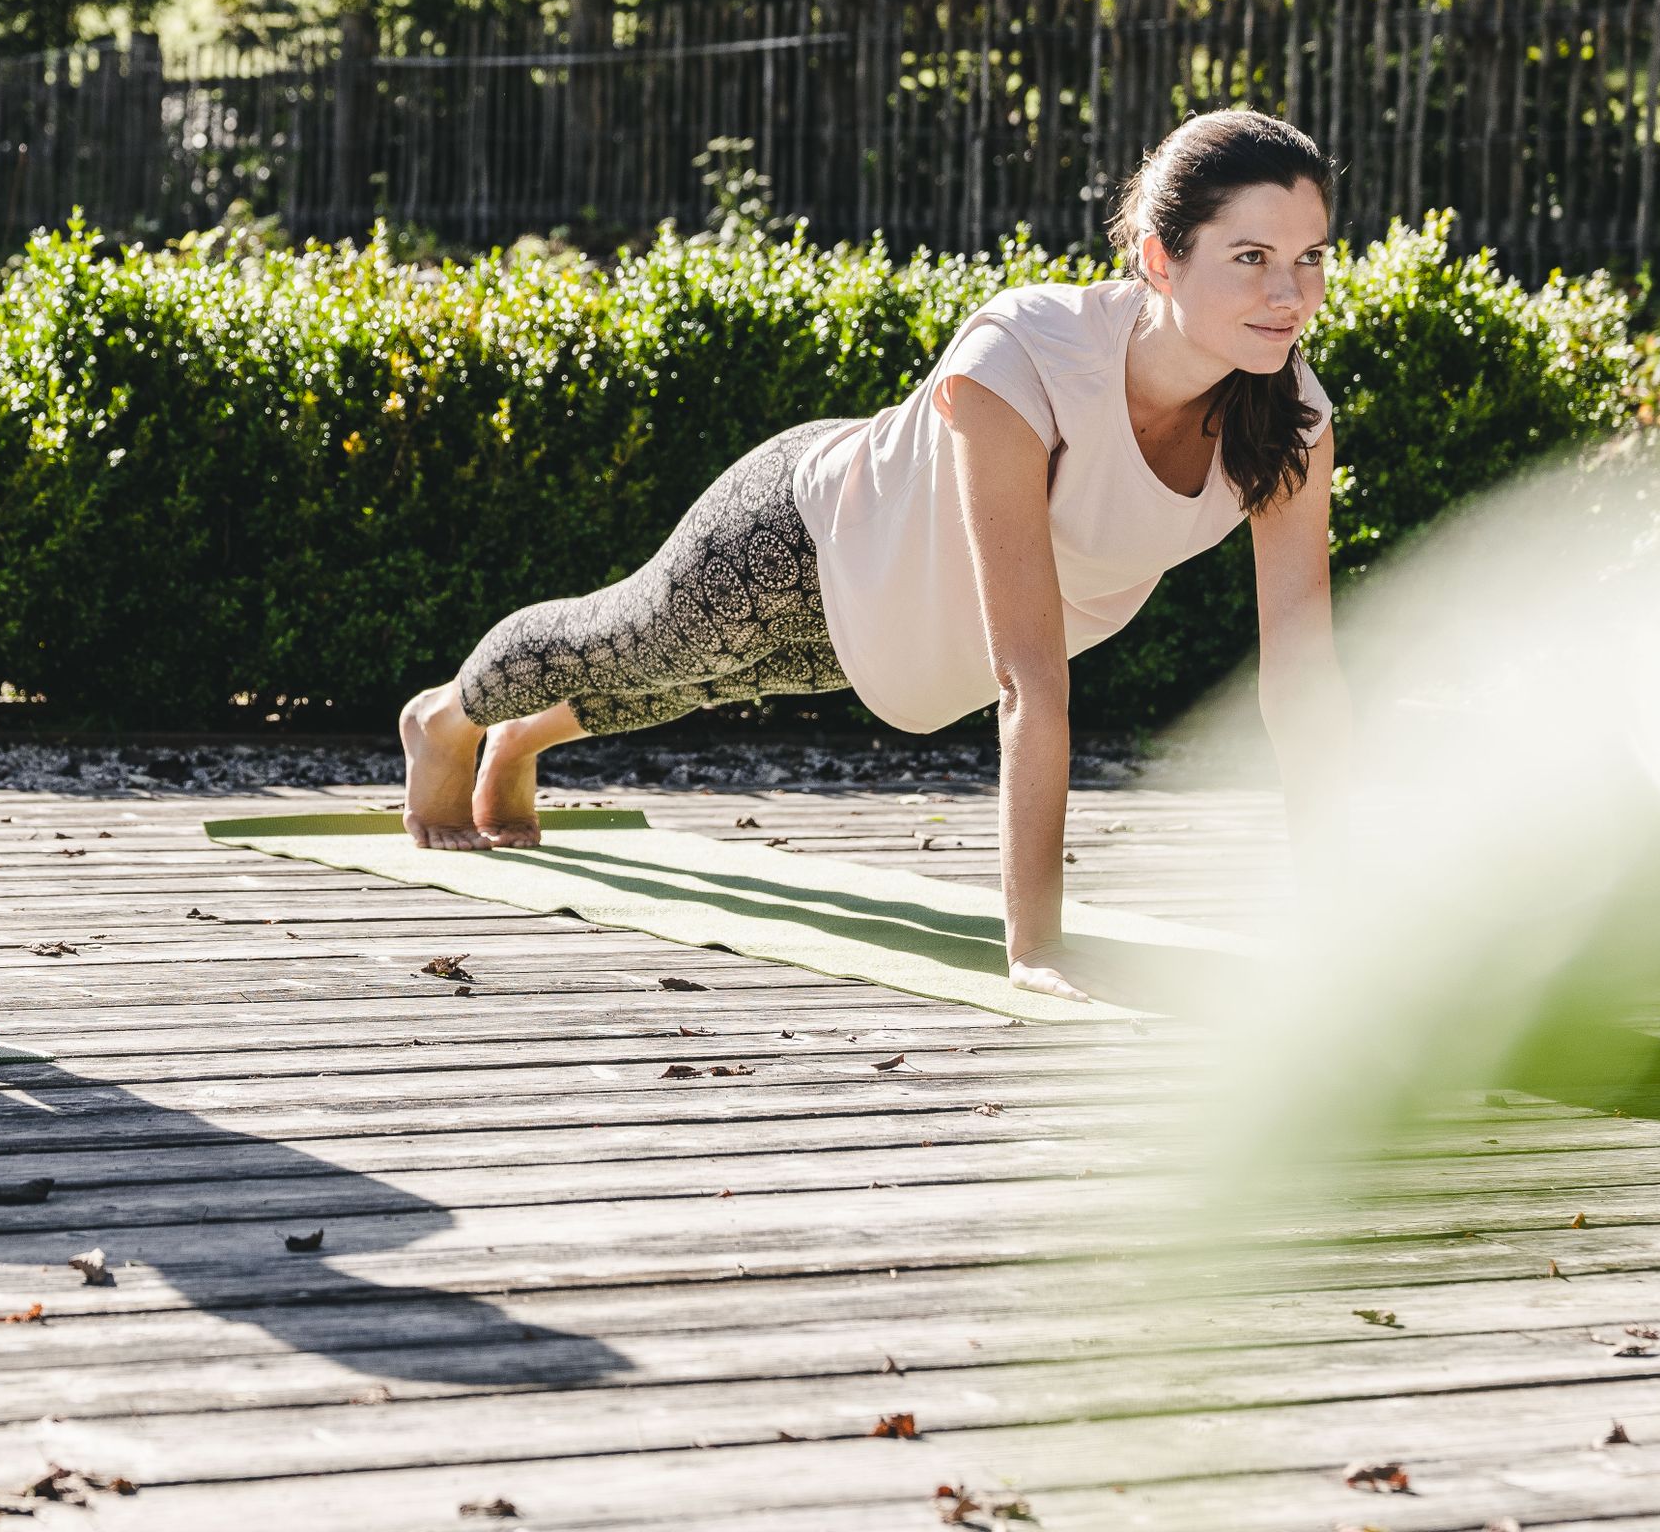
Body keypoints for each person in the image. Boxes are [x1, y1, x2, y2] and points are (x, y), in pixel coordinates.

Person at [396, 108, 1350, 997]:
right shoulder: (1031, 355)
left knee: (699, 686)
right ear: (1158, 259)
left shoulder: (1290, 422)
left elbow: (1302, 682)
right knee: (634, 639)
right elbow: (1030, 677)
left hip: (904, 626)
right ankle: (444, 719)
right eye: (1251, 257)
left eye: (1309, 257)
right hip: (807, 531)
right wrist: (1036, 948)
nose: (1289, 294)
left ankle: (522, 737)